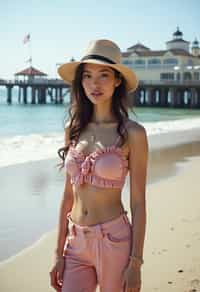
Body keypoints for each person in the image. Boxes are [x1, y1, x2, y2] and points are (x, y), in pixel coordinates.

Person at [49, 39, 148, 292]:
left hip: (114, 240)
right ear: (81, 82)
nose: (95, 84)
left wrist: (135, 262)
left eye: (104, 75)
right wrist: (58, 253)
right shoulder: (73, 129)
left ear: (117, 80)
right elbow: (68, 196)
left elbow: (138, 202)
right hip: (76, 242)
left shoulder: (133, 133)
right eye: (88, 76)